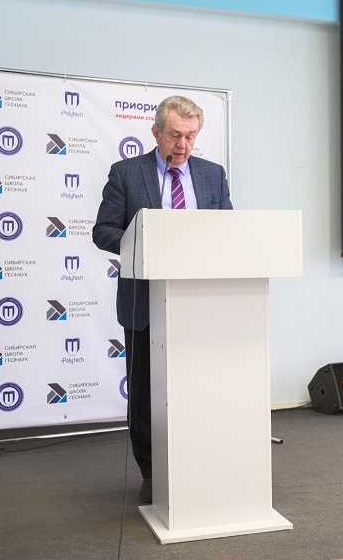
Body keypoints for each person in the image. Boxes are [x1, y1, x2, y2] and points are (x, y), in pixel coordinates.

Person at [93, 95, 233, 504]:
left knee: (199, 388)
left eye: (191, 136)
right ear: (156, 132)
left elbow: (228, 229)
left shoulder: (212, 175)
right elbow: (103, 231)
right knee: (145, 395)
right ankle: (152, 472)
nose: (182, 145)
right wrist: (145, 243)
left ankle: (199, 463)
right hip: (145, 302)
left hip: (199, 302)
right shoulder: (126, 173)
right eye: (174, 135)